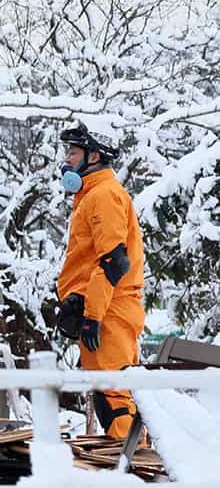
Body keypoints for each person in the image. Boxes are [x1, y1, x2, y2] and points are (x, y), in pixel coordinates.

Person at [54, 123, 145, 439]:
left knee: (115, 398)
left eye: (73, 151)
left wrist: (92, 316)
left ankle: (133, 472)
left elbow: (113, 261)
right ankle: (125, 469)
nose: (66, 159)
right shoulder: (91, 193)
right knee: (108, 396)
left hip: (110, 312)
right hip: (102, 308)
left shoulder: (104, 195)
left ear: (94, 155)